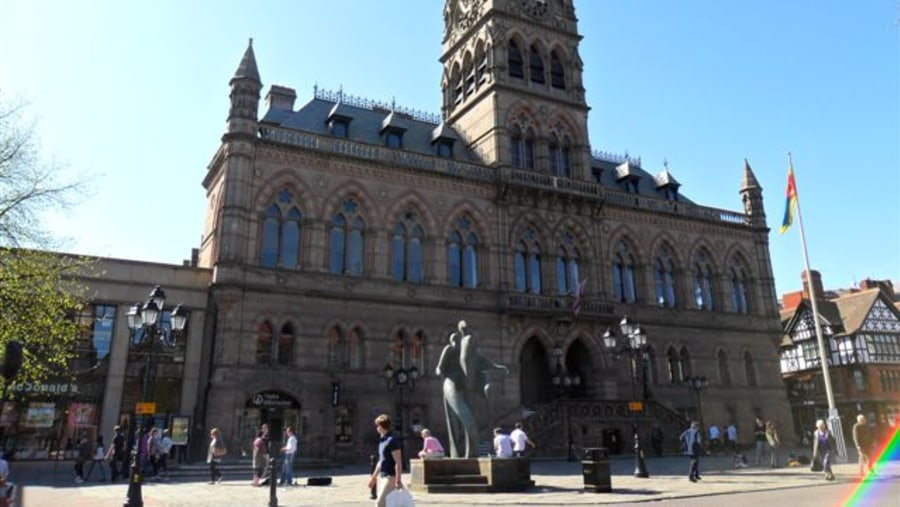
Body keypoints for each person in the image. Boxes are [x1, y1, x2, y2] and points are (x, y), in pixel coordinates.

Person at [436, 320, 507, 458]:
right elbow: (440, 366)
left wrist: (497, 367)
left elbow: (484, 361)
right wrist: (439, 372)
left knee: (467, 413)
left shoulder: (467, 347)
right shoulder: (449, 349)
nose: (456, 341)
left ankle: (469, 451)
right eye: (454, 339)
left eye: (457, 339)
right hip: (450, 382)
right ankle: (457, 451)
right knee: (460, 414)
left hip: (464, 381)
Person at [367, 414, 403, 507]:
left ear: (382, 426)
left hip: (391, 477)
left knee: (380, 503)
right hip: (383, 476)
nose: (376, 428)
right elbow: (381, 461)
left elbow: (398, 462)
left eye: (377, 425)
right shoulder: (382, 441)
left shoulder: (392, 441)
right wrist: (374, 477)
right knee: (388, 504)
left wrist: (398, 480)